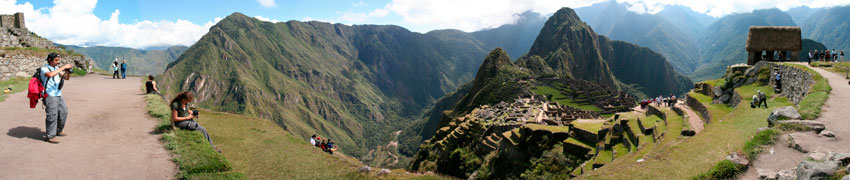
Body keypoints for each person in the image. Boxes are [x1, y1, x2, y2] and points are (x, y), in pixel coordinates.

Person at [40, 53, 72, 143]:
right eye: (56, 60)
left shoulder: (56, 69)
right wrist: (63, 67)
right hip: (49, 95)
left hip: (58, 94)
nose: (58, 62)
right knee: (52, 115)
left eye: (59, 60)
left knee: (64, 112)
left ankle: (58, 130)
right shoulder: (44, 69)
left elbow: (66, 78)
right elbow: (50, 75)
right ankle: (50, 136)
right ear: (50, 60)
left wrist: (67, 72)